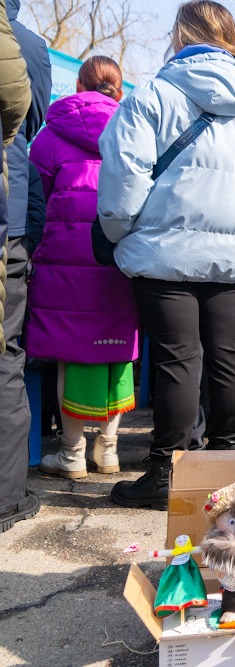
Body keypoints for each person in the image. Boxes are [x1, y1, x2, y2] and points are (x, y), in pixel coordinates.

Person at [97, 0, 235, 509]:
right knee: (229, 356)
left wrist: (118, 233)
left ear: (181, 36)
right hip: (231, 255)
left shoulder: (154, 94)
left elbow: (123, 174)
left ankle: (166, 473)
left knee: (179, 360)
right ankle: (227, 468)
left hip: (163, 249)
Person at [26, 56, 139, 479]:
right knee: (118, 353)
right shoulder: (135, 130)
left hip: (63, 265)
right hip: (118, 260)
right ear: (119, 87)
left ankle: (71, 454)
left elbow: (35, 203)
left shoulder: (50, 136)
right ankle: (108, 451)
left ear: (78, 84)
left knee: (71, 357)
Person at [0, 0, 32, 534]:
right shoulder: (28, 42)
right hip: (17, 218)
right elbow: (16, 99)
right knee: (5, 352)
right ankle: (6, 495)